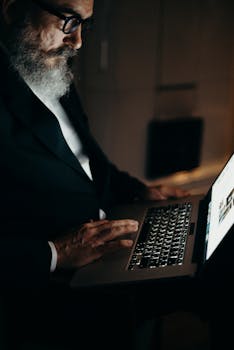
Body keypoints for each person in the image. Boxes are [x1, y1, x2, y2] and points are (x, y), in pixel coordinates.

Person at [0, 0, 190, 349]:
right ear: (12, 9)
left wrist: (140, 191)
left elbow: (91, 166)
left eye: (85, 24)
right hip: (44, 297)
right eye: (69, 21)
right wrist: (54, 253)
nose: (78, 42)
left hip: (105, 258)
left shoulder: (50, 70)